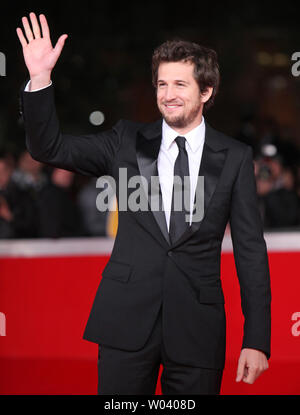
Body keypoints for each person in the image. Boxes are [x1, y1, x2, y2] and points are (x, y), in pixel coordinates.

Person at [17, 12, 271, 394]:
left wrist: (257, 338)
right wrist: (40, 79)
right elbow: (48, 147)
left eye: (180, 84)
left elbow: (250, 250)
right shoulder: (125, 141)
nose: (168, 94)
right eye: (162, 84)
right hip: (125, 322)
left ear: (206, 92)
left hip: (197, 329)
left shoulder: (235, 157)